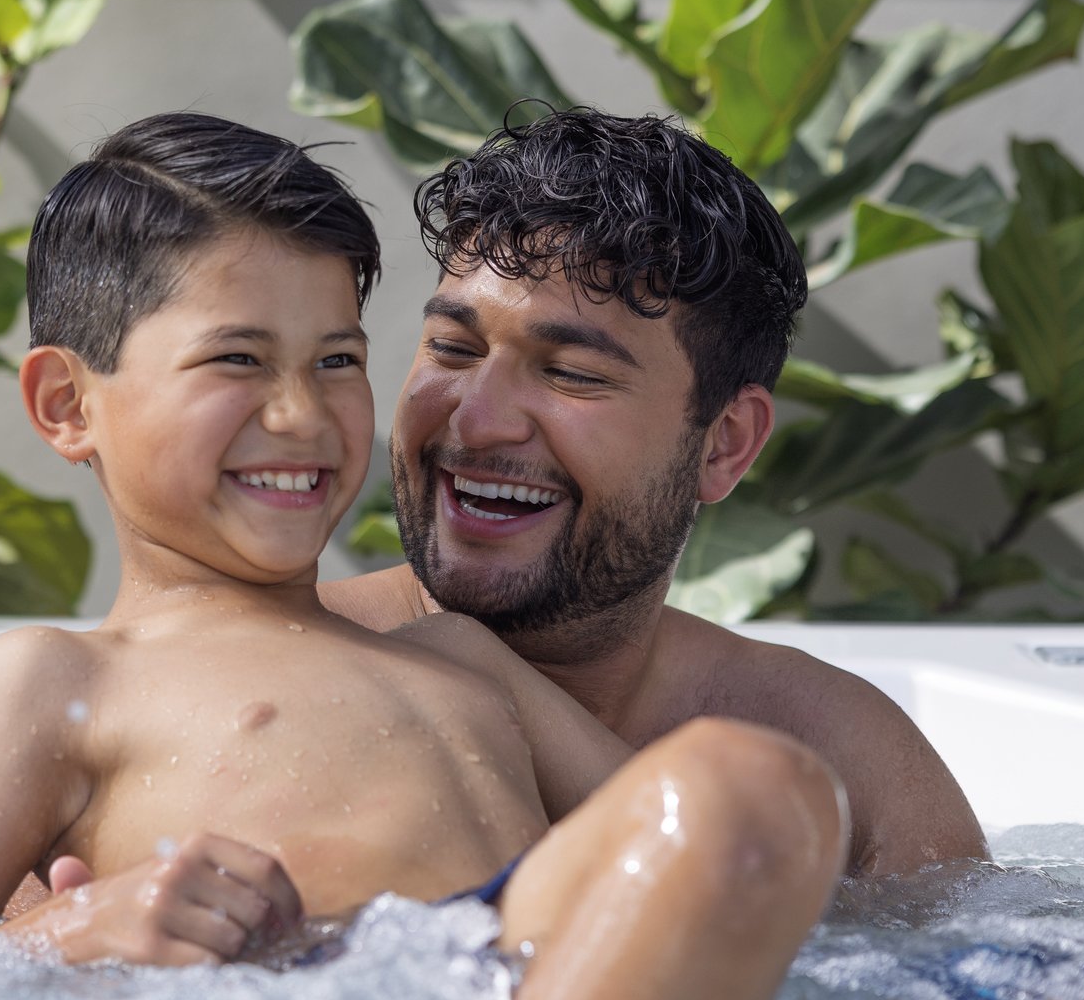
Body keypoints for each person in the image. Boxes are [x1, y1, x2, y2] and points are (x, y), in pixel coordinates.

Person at [0, 113, 849, 1000]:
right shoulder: (57, 680)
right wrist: (58, 938)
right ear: (67, 403)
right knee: (735, 780)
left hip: (515, 996)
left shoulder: (455, 650)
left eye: (339, 361)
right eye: (238, 358)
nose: (300, 412)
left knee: (744, 789)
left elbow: (680, 852)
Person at [319, 107, 985, 878]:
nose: (478, 419)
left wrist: (488, 676)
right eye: (452, 348)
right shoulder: (281, 666)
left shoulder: (843, 759)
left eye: (571, 373)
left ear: (725, 442)